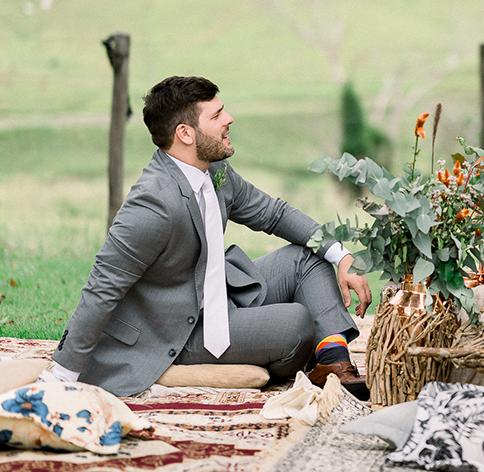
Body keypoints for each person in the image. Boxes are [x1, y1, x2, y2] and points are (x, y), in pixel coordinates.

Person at [49, 76, 372, 398]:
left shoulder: (215, 171)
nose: (228, 119)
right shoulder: (151, 204)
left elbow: (274, 213)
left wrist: (341, 256)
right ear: (185, 133)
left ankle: (332, 363)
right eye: (216, 116)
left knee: (308, 257)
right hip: (175, 330)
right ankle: (288, 351)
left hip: (220, 295)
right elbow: (100, 289)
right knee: (296, 323)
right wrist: (62, 376)